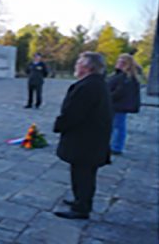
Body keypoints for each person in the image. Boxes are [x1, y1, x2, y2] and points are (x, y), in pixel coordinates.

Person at [53, 52, 112, 220]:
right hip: (90, 139)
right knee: (82, 173)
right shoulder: (96, 83)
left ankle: (81, 208)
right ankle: (80, 200)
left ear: (87, 67)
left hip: (85, 140)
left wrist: (59, 125)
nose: (76, 65)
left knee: (83, 174)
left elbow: (73, 113)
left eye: (78, 62)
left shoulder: (87, 86)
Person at [108, 54, 142, 155]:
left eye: (123, 62)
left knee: (118, 126)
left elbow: (120, 92)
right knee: (115, 125)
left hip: (119, 105)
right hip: (115, 104)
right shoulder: (118, 75)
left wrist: (107, 96)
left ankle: (117, 147)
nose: (119, 63)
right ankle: (113, 145)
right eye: (119, 61)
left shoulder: (127, 78)